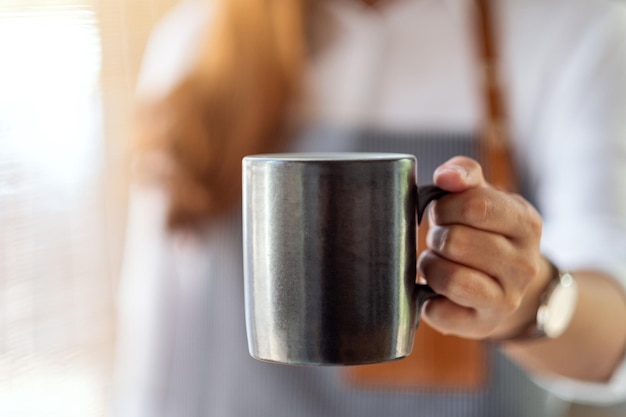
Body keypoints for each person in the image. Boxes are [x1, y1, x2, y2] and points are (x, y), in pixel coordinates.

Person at [111, 0, 626, 416]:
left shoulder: (571, 26)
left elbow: (614, 334)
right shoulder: (193, 40)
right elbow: (158, 333)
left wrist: (526, 297)